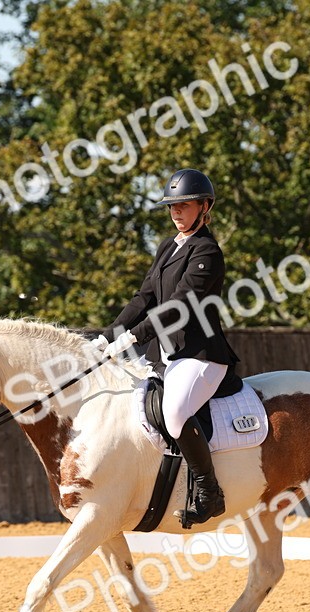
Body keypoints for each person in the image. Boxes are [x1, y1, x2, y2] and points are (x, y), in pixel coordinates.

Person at [94, 168, 238, 526]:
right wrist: (112, 333)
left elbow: (178, 306)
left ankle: (209, 491)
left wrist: (134, 337)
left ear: (205, 207)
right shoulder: (168, 246)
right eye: (172, 206)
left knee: (174, 413)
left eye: (184, 205)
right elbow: (144, 297)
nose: (176, 212)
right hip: (169, 356)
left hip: (201, 356)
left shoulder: (207, 251)